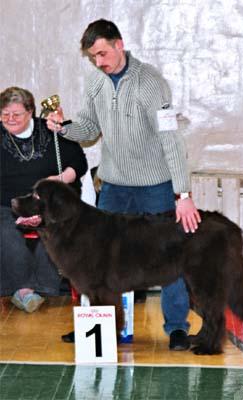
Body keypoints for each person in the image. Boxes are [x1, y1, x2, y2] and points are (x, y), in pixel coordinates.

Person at [47, 19, 201, 350]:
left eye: (102, 53)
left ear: (119, 44)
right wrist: (63, 128)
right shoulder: (95, 83)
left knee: (169, 258)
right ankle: (98, 325)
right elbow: (88, 129)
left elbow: (171, 139)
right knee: (94, 259)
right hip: (114, 187)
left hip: (155, 186)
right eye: (93, 57)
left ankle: (176, 328)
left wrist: (183, 194)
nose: (99, 62)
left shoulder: (152, 84)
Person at [0, 87, 88, 312]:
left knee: (52, 229)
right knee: (6, 231)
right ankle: (22, 290)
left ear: (31, 112)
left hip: (49, 203)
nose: (10, 119)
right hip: (9, 203)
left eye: (16, 114)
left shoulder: (50, 129)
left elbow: (78, 162)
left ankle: (44, 287)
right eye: (4, 114)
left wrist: (59, 179)